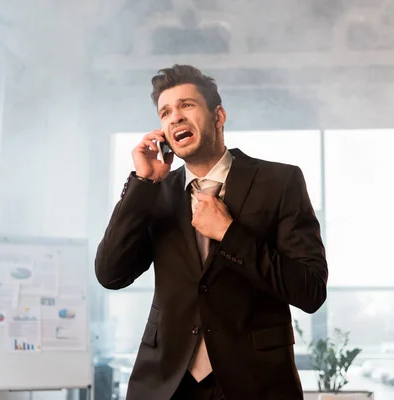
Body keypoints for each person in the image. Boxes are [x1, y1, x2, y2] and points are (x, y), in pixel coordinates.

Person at [95, 65, 328, 400]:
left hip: (256, 384)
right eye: (165, 112)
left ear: (218, 115)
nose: (174, 117)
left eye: (186, 105)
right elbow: (110, 274)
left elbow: (310, 290)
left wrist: (230, 232)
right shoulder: (154, 192)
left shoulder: (280, 182)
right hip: (168, 384)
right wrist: (143, 183)